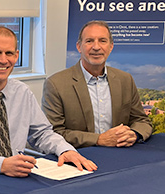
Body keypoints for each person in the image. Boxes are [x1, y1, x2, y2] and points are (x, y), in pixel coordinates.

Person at [0, 27, 97, 177]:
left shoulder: (23, 92)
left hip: (17, 174)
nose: (3, 60)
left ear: (16, 56)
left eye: (9, 53)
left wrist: (64, 150)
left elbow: (42, 133)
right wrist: (0, 164)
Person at [42, 20, 152, 148]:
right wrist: (98, 139)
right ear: (79, 47)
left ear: (111, 46)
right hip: (79, 156)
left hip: (121, 153)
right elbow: (54, 133)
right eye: (89, 41)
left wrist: (134, 134)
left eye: (102, 41)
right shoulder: (56, 84)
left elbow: (141, 120)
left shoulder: (125, 80)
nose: (96, 47)